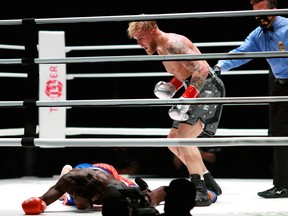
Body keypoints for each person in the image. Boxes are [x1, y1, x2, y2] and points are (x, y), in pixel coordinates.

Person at [127, 19, 225, 206]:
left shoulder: (172, 44)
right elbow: (186, 70)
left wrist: (187, 97)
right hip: (197, 88)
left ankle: (200, 192)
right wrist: (173, 86)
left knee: (184, 139)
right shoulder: (162, 48)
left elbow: (202, 69)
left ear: (153, 30)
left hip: (207, 88)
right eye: (136, 39)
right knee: (173, 140)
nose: (139, 43)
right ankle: (208, 180)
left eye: (140, 38)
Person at [214, 0, 288, 198]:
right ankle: (282, 184)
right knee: (276, 133)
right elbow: (241, 53)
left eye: (264, 12)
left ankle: (283, 185)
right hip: (279, 83)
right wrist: (219, 67)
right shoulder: (258, 35)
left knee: (281, 133)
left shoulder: (287, 28)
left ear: (275, 9)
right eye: (256, 13)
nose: (259, 17)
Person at [21, 163, 167, 214]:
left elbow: (145, 200)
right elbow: (42, 200)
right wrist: (37, 204)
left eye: (85, 204)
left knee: (132, 190)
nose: (80, 208)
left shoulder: (112, 186)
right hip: (80, 170)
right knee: (67, 200)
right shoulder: (69, 181)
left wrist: (147, 197)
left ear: (96, 197)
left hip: (106, 171)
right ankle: (65, 191)